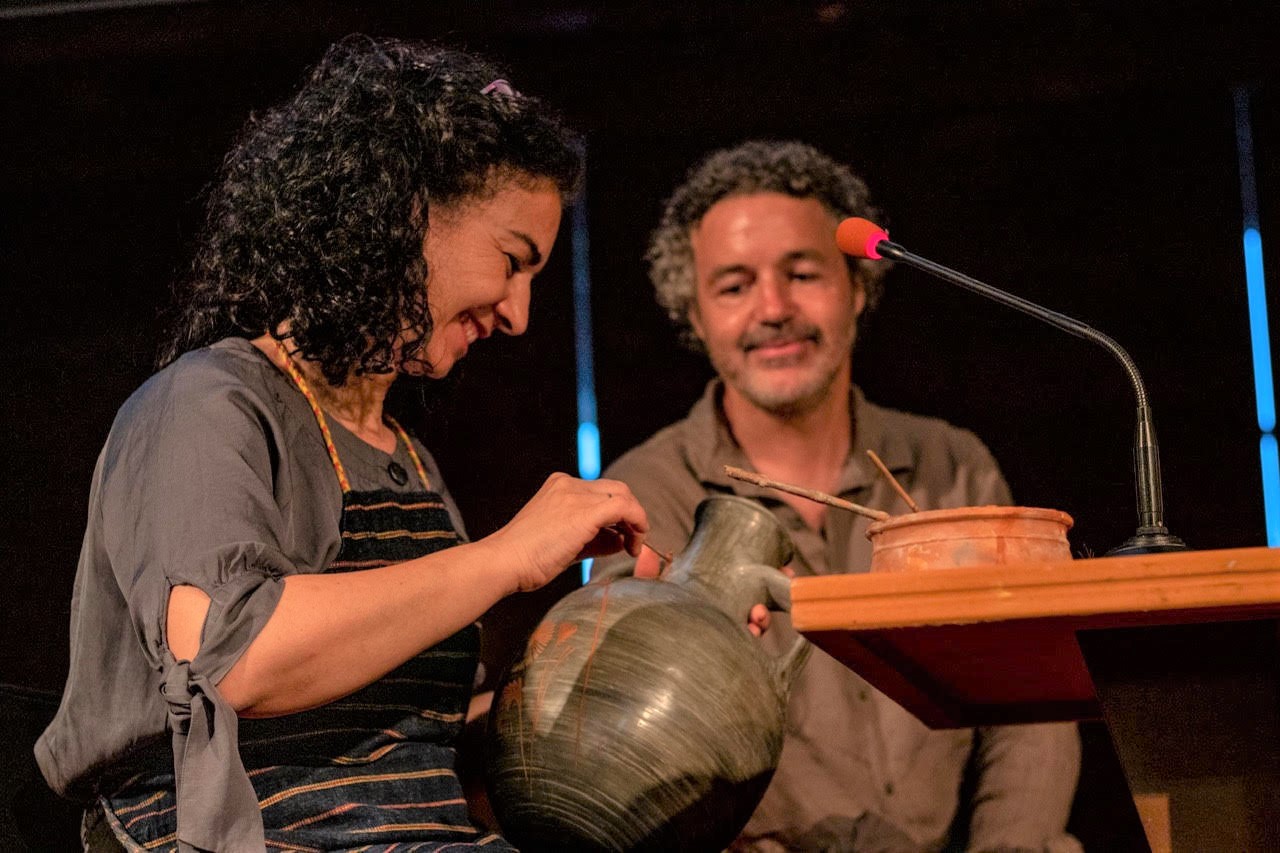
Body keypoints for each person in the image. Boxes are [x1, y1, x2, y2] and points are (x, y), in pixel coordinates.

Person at [35, 35, 651, 852]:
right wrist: (506, 556)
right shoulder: (205, 403)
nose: (517, 313)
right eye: (511, 261)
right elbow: (233, 655)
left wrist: (619, 679)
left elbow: (409, 744)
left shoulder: (408, 459)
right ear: (404, 210)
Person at [592, 140, 1082, 852]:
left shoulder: (954, 468)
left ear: (857, 286)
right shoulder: (648, 494)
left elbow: (1030, 700)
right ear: (692, 314)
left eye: (802, 273)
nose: (773, 308)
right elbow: (630, 751)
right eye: (733, 286)